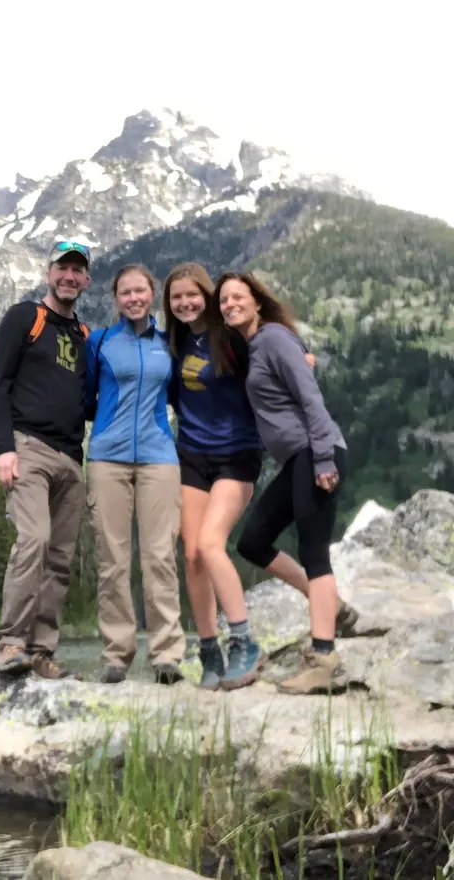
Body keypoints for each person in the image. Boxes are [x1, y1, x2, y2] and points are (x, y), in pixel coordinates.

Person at [163, 263, 344, 692]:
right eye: (176, 298)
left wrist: (304, 362)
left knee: (213, 545)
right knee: (197, 553)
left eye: (195, 295)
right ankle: (210, 648)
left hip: (240, 455)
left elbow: (294, 373)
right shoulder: (176, 343)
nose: (187, 303)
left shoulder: (239, 340)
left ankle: (250, 642)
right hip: (192, 454)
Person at [217, 271, 350, 694]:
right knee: (253, 541)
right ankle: (329, 604)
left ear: (257, 301)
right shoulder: (256, 346)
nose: (229, 304)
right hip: (296, 459)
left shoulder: (273, 337)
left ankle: (325, 657)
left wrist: (325, 458)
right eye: (223, 301)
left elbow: (310, 397)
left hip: (315, 452)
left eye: (237, 297)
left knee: (314, 549)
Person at [0, 239, 94, 679]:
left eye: (78, 270)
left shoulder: (84, 336)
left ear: (86, 280)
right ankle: (10, 643)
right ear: (49, 272)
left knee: (60, 558)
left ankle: (42, 652)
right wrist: (3, 448)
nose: (69, 276)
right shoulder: (25, 317)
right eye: (62, 268)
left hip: (72, 459)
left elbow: (89, 400)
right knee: (33, 539)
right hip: (27, 447)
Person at [82, 264, 183, 686]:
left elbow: (178, 395)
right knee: (112, 559)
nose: (133, 298)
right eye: (125, 292)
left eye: (140, 290)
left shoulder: (169, 345)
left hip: (160, 456)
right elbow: (88, 397)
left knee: (160, 555)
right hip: (107, 457)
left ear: (152, 293)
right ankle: (117, 655)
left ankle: (166, 655)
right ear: (116, 298)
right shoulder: (101, 342)